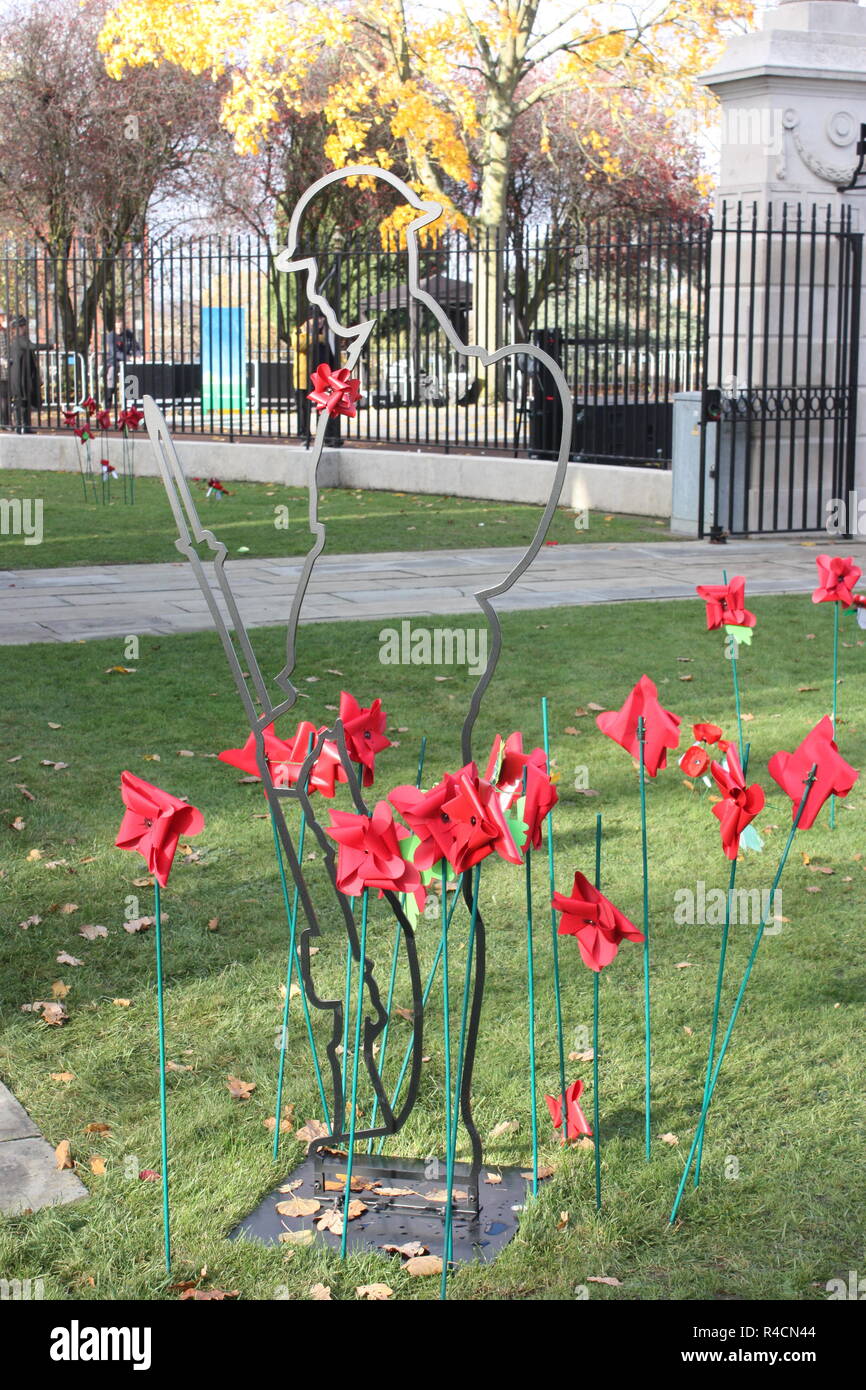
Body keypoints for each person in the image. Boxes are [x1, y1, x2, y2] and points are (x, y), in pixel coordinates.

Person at [8, 316, 45, 433]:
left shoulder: (20, 339)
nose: (25, 328)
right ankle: (20, 426)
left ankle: (25, 426)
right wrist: (51, 345)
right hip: (20, 376)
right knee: (21, 402)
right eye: (24, 326)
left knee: (25, 402)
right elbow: (33, 347)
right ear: (19, 328)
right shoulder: (20, 340)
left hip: (22, 375)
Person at [104, 316, 141, 406]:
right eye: (117, 327)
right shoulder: (110, 336)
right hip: (113, 362)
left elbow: (136, 347)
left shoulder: (129, 334)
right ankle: (108, 402)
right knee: (111, 375)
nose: (119, 329)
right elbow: (115, 353)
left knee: (135, 376)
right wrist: (130, 358)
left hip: (127, 362)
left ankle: (132, 402)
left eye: (121, 327)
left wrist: (138, 356)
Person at [0, 312, 10, 430]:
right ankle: (5, 422)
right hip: (3, 369)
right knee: (4, 397)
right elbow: (4, 351)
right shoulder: (2, 333)